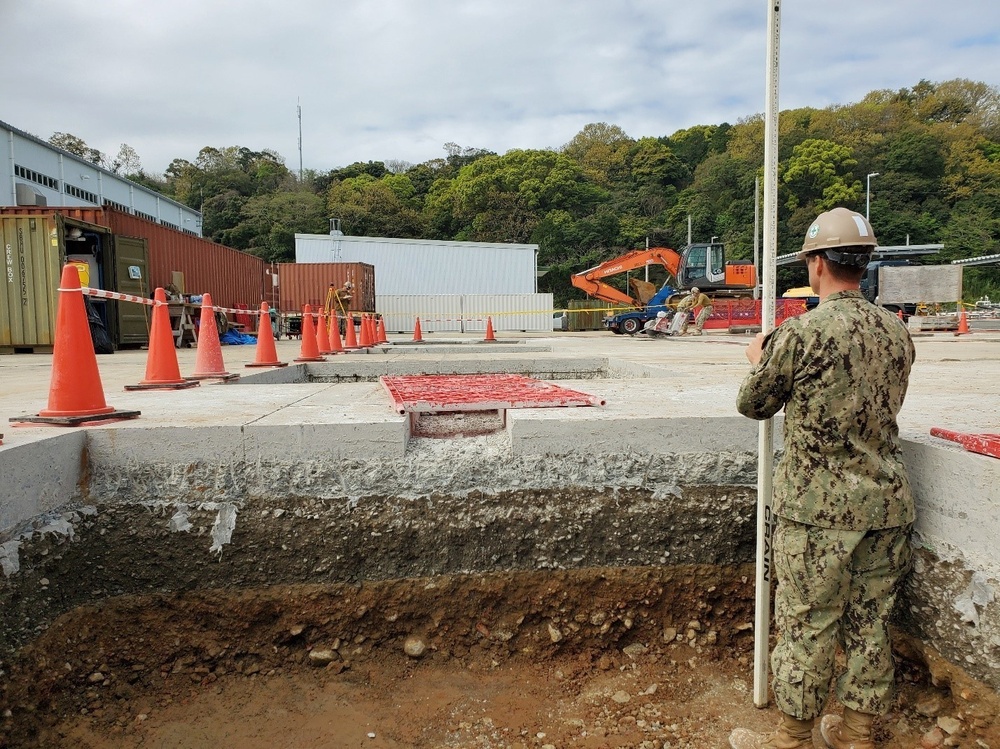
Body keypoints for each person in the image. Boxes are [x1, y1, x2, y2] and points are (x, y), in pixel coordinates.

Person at [730, 207, 916, 749]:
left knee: (808, 621)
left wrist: (757, 357)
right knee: (872, 623)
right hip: (887, 508)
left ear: (816, 264)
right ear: (864, 263)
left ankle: (792, 738)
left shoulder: (801, 333)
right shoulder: (896, 333)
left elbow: (754, 404)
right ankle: (856, 735)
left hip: (817, 514)